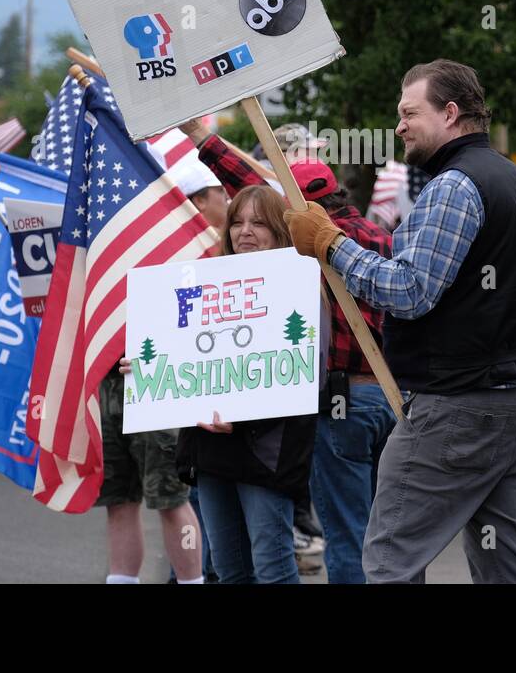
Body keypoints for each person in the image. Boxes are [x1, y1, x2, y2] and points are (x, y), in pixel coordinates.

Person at [284, 59, 516, 584]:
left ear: (450, 113)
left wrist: (331, 244)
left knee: (389, 559)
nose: (399, 127)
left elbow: (408, 291)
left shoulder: (454, 186)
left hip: (455, 406)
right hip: (515, 405)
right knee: (506, 565)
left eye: (410, 113)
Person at [179, 120, 397, 583]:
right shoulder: (380, 240)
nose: (251, 229)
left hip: (337, 404)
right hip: (387, 398)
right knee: (387, 531)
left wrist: (204, 139)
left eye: (268, 218)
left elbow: (247, 186)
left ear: (293, 213)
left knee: (344, 531)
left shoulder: (306, 249)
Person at [173, 186, 319, 584]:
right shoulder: (203, 283)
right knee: (229, 569)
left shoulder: (302, 283)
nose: (245, 231)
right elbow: (183, 355)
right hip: (211, 449)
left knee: (272, 568)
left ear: (278, 229)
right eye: (237, 222)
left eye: (258, 222)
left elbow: (307, 375)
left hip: (265, 453)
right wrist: (147, 370)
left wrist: (243, 417)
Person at [99, 158, 224, 584]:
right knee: (119, 497)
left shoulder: (205, 254)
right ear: (195, 202)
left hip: (158, 387)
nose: (224, 202)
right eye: (217, 195)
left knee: (170, 497)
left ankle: (191, 581)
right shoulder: (120, 238)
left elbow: (206, 327)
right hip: (110, 382)